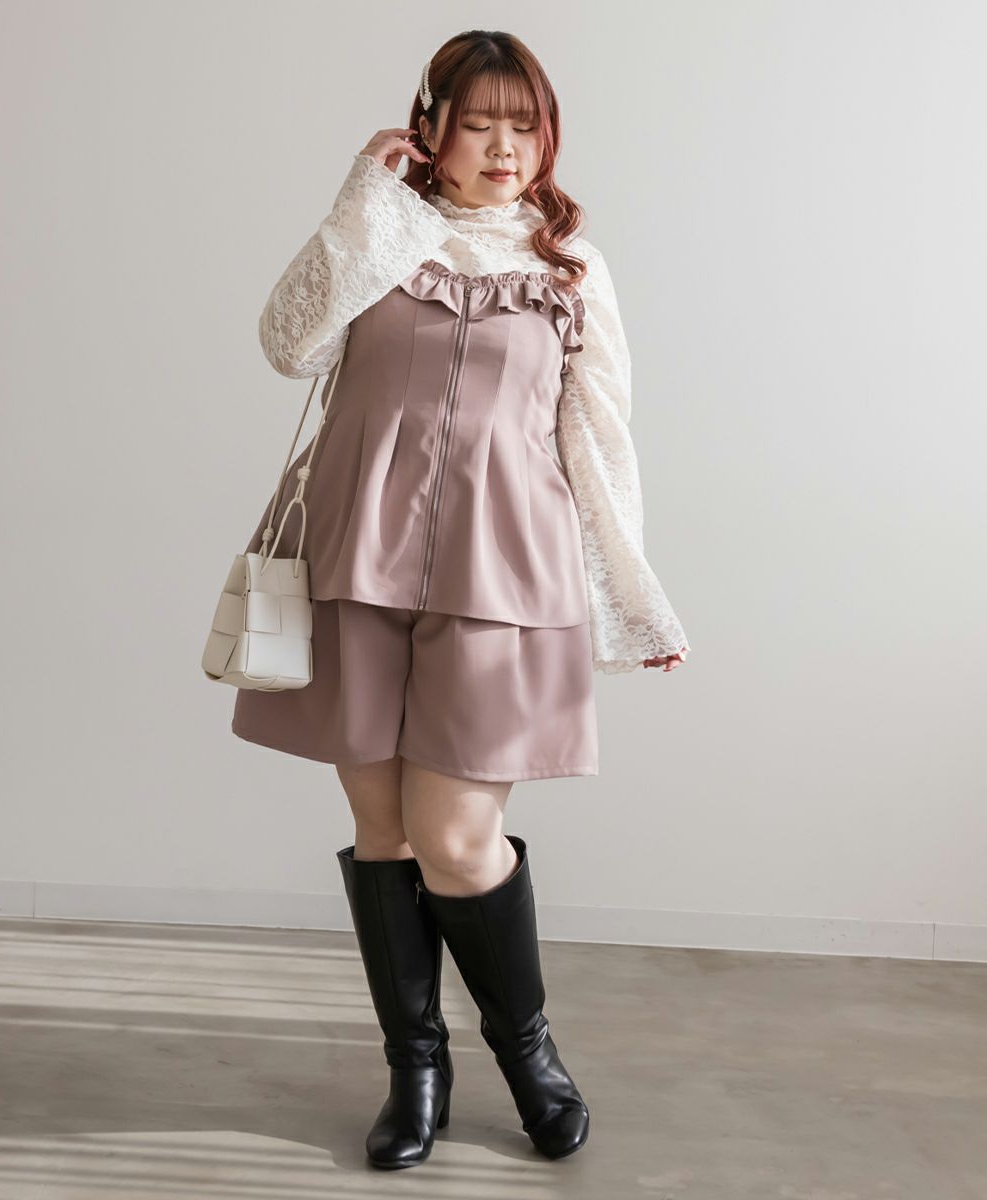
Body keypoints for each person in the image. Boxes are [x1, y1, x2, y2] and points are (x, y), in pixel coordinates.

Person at [232, 30, 691, 1170]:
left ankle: (528, 1053)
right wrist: (363, 201)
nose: (503, 148)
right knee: (384, 832)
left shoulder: (569, 266)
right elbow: (288, 344)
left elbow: (599, 439)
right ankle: (415, 1070)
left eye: (523, 126)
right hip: (356, 559)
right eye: (479, 123)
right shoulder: (384, 235)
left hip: (504, 575)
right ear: (429, 125)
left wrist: (632, 593)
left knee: (456, 836)